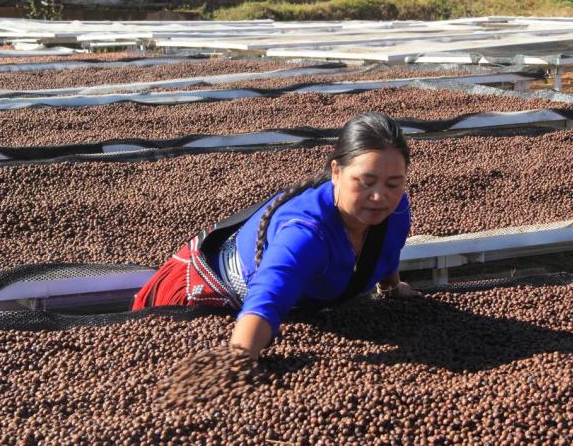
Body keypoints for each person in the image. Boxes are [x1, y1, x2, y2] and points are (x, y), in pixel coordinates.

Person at [132, 112, 419, 359]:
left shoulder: (395, 210)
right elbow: (267, 299)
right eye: (366, 182)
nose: (379, 196)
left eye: (393, 183)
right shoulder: (305, 235)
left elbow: (384, 249)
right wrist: (236, 361)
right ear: (336, 172)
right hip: (206, 300)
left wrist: (391, 288)